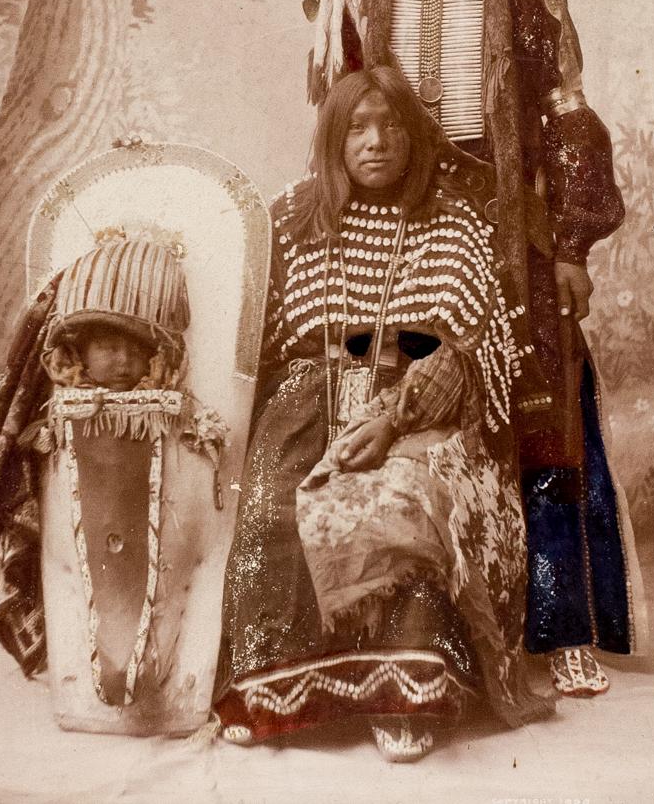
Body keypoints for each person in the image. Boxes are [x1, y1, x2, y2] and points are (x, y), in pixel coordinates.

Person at [303, 0, 646, 696]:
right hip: (398, 221)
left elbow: (566, 112)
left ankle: (559, 622)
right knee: (396, 394)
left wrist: (570, 241)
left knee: (541, 414)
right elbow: (341, 115)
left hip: (508, 222)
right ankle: (416, 617)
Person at [214, 66, 557, 762]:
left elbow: (459, 351)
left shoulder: (451, 221)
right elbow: (251, 331)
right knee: (275, 503)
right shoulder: (291, 217)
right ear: (334, 139)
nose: (375, 141)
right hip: (307, 390)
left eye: (390, 124)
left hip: (418, 401)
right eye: (357, 127)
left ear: (413, 133)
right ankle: (275, 690)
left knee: (403, 497)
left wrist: (393, 419)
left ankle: (405, 691)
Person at [0, 236, 192, 679]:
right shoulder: (55, 414)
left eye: (137, 349)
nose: (125, 361)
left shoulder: (168, 405)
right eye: (109, 347)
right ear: (79, 349)